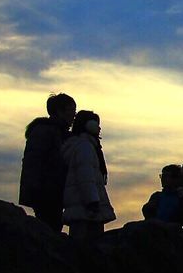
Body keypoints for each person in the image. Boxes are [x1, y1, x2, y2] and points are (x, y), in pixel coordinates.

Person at [18, 93, 76, 231]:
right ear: (59, 111)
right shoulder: (45, 131)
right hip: (46, 192)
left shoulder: (60, 133)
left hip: (53, 191)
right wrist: (36, 190)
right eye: (71, 110)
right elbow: (34, 162)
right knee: (48, 228)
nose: (73, 115)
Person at [60, 110, 115, 240]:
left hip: (82, 208)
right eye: (96, 124)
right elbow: (85, 176)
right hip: (87, 210)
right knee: (88, 248)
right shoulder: (85, 147)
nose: (99, 128)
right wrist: (92, 201)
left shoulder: (82, 145)